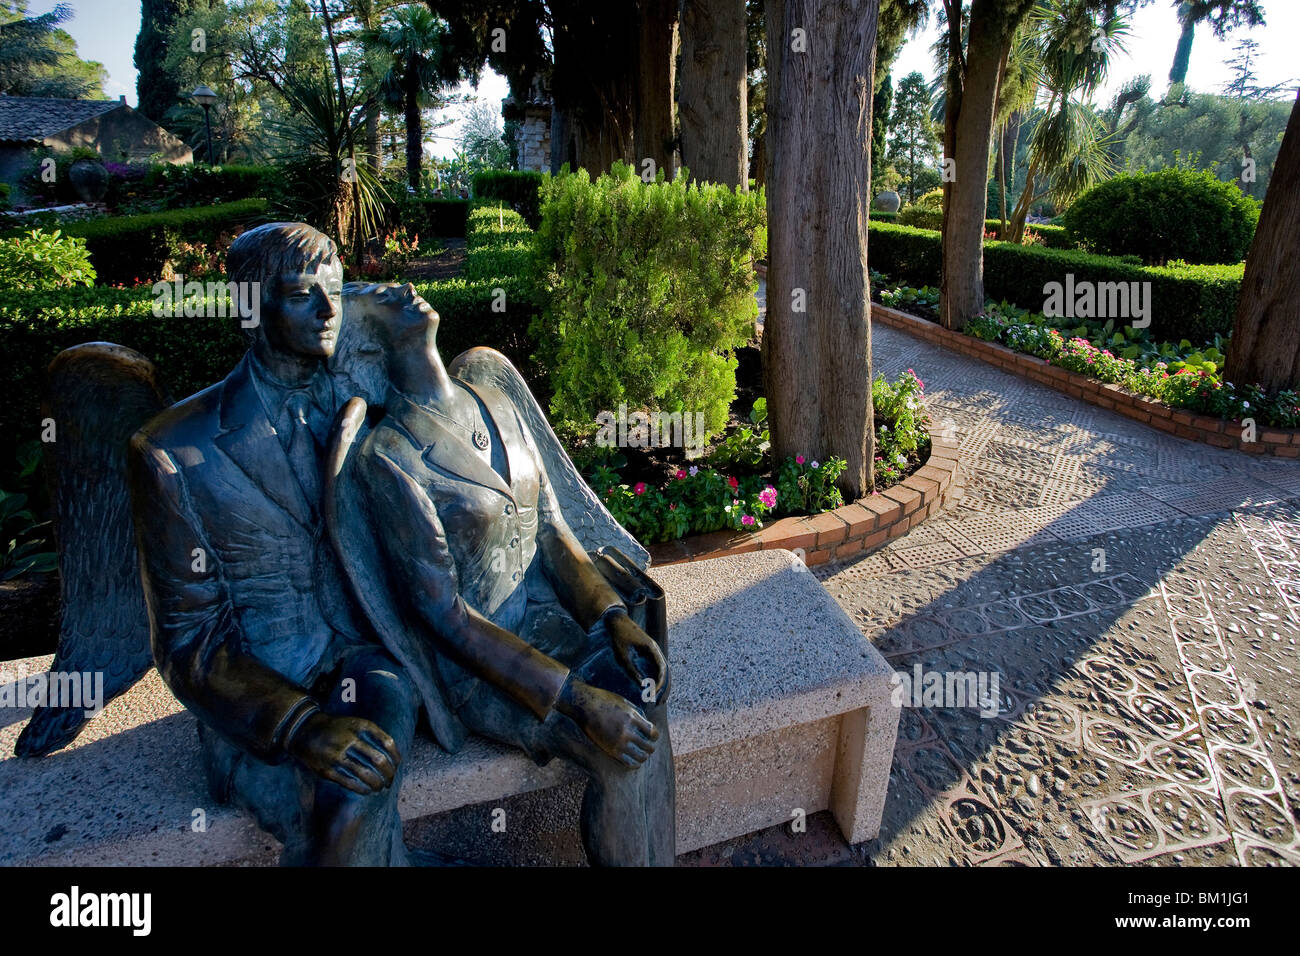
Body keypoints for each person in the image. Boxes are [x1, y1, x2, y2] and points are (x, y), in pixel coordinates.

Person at [329, 283, 676, 866]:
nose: (408, 290)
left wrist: (611, 616)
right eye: (387, 298)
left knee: (650, 702)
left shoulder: (493, 393)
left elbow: (552, 528)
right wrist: (579, 702)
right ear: (367, 339)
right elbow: (445, 616)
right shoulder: (389, 454)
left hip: (558, 625)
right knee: (623, 753)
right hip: (485, 672)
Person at [128, 223, 418, 866]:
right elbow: (189, 644)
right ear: (251, 307)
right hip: (261, 698)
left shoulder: (366, 403)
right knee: (339, 808)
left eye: (336, 293)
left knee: (357, 788)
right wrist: (302, 726)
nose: (326, 311)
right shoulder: (174, 449)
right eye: (300, 293)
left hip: (368, 662)